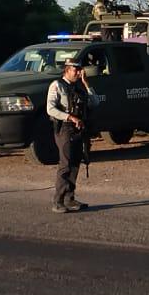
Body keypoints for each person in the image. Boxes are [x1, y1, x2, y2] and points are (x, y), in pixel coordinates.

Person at [46, 57, 91, 213]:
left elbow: (95, 102)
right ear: (67, 70)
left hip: (79, 129)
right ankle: (58, 201)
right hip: (64, 128)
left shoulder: (80, 87)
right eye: (75, 70)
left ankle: (69, 198)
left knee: (75, 163)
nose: (78, 73)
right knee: (65, 164)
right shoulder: (57, 85)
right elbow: (50, 109)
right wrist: (70, 117)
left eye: (80, 70)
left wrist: (86, 84)